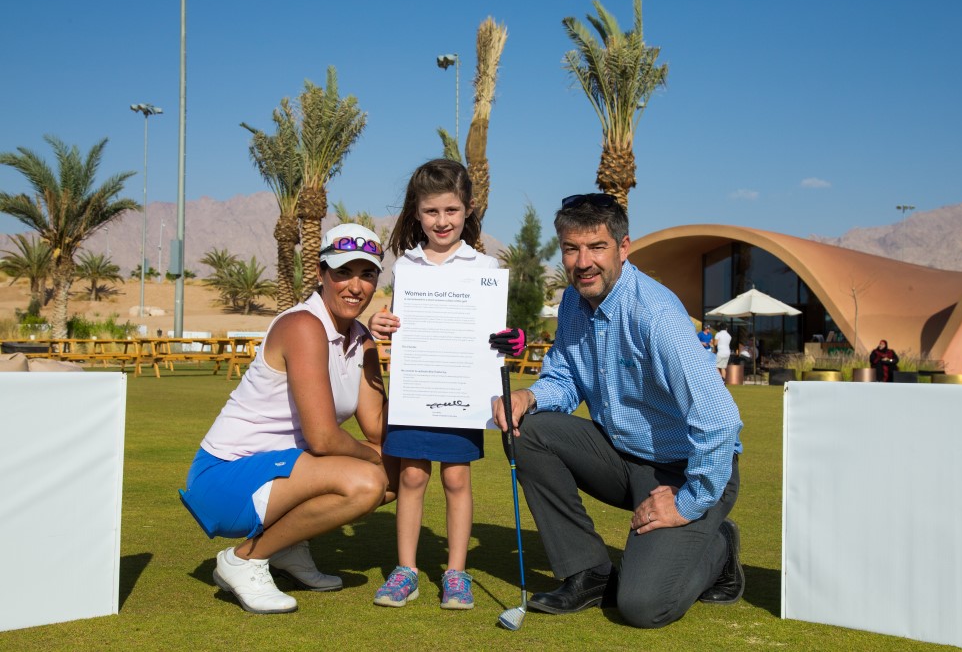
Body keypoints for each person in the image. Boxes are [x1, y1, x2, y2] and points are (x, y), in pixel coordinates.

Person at [492, 193, 744, 629]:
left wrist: (687, 503)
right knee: (525, 430)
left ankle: (718, 548)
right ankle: (588, 571)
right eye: (572, 249)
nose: (583, 261)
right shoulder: (574, 302)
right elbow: (565, 378)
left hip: (689, 470)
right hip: (624, 456)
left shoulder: (656, 313)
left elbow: (720, 420)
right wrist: (529, 397)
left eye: (597, 247)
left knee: (644, 606)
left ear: (623, 248)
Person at [178, 223, 397, 615]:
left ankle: (287, 549)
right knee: (368, 481)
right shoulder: (303, 326)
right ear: (320, 273)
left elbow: (377, 427)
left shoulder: (361, 339)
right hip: (226, 477)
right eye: (342, 272)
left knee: (402, 468)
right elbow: (324, 439)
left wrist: (420, 356)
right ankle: (244, 560)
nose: (355, 286)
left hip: (283, 469)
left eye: (367, 274)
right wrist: (374, 459)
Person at [367, 158, 524, 610]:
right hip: (417, 393)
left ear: (469, 209)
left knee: (457, 480)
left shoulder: (485, 265)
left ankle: (456, 573)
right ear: (416, 211)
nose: (442, 221)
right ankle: (406, 571)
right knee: (412, 476)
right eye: (432, 211)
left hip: (462, 398)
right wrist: (381, 322)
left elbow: (497, 336)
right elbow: (396, 324)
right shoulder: (406, 266)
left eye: (451, 211)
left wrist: (510, 340)